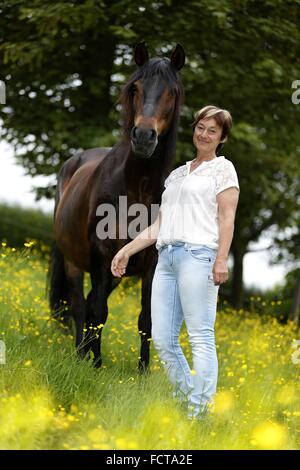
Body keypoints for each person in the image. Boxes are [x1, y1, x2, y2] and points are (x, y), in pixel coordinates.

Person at [111, 105, 240, 419]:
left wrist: (221, 259)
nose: (204, 134)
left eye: (212, 130)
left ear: (222, 138)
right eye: (200, 127)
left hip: (200, 257)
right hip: (166, 259)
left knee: (199, 336)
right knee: (163, 340)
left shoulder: (223, 169)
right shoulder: (177, 175)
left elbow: (227, 218)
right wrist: (127, 249)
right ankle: (187, 404)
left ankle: (199, 413)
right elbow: (160, 225)